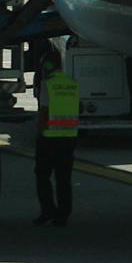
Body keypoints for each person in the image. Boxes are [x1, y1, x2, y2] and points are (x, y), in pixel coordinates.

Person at [32, 46, 80, 226]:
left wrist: (39, 133)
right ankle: (63, 214)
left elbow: (44, 111)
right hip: (69, 137)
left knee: (42, 175)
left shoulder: (48, 84)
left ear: (48, 65)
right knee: (64, 178)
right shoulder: (72, 83)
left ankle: (47, 210)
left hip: (49, 137)